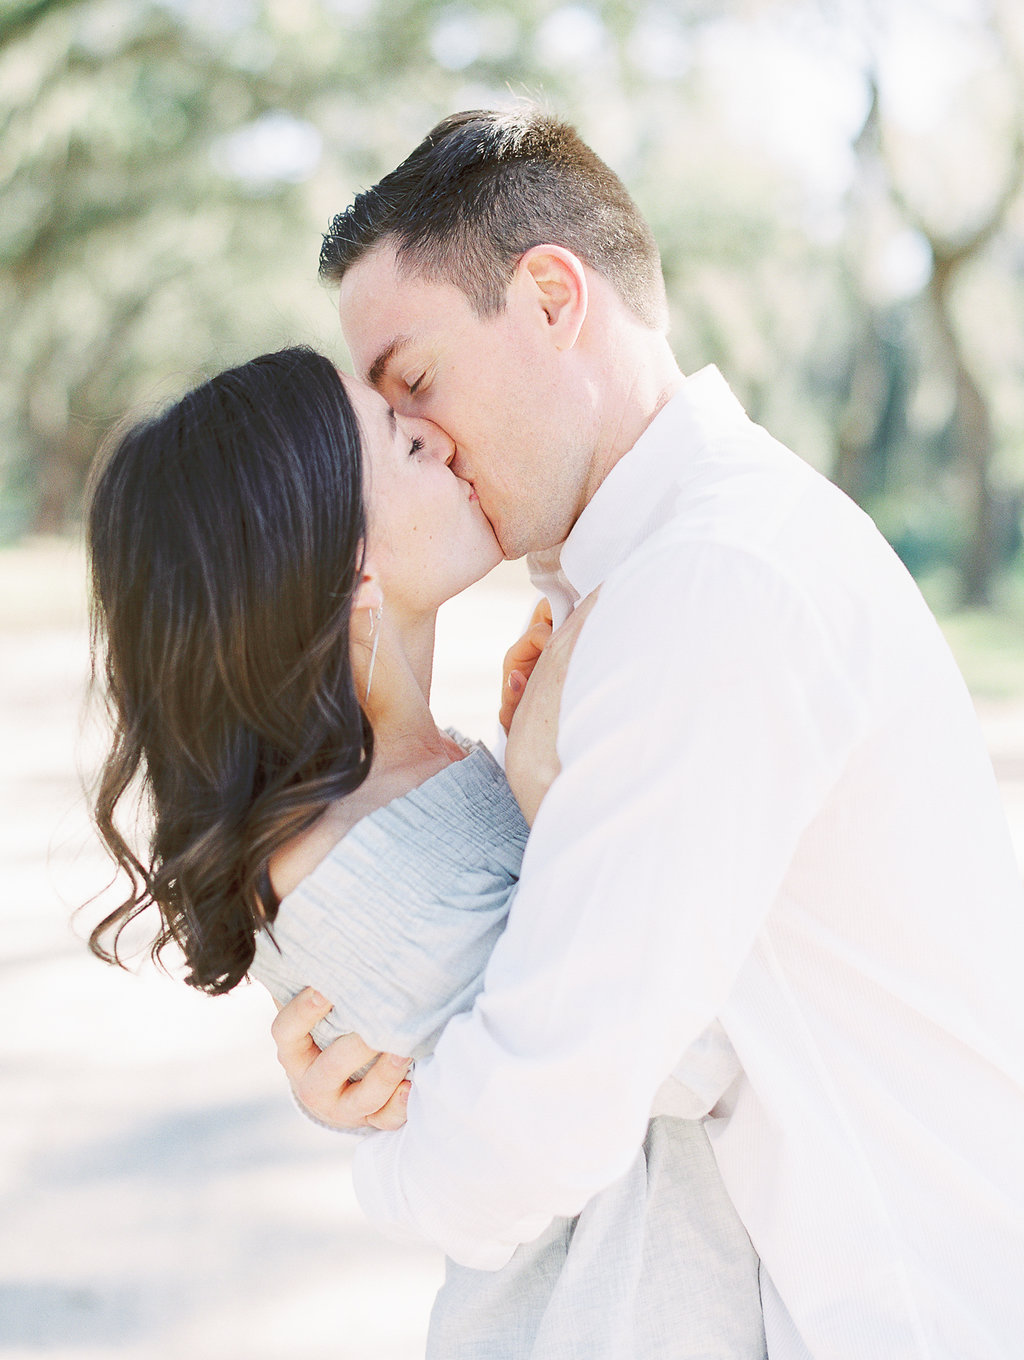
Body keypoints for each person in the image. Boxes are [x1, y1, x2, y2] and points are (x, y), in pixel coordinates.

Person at [271, 106, 1024, 1358]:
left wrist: (391, 1141)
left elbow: (541, 1121)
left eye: (416, 382)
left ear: (553, 297)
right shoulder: (670, 570)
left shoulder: (709, 586)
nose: (419, 442)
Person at [85, 346, 767, 1358]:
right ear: (346, 558)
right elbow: (693, 1052)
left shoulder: (401, 786)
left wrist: (553, 766)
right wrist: (556, 785)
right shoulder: (340, 863)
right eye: (405, 440)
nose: (444, 437)